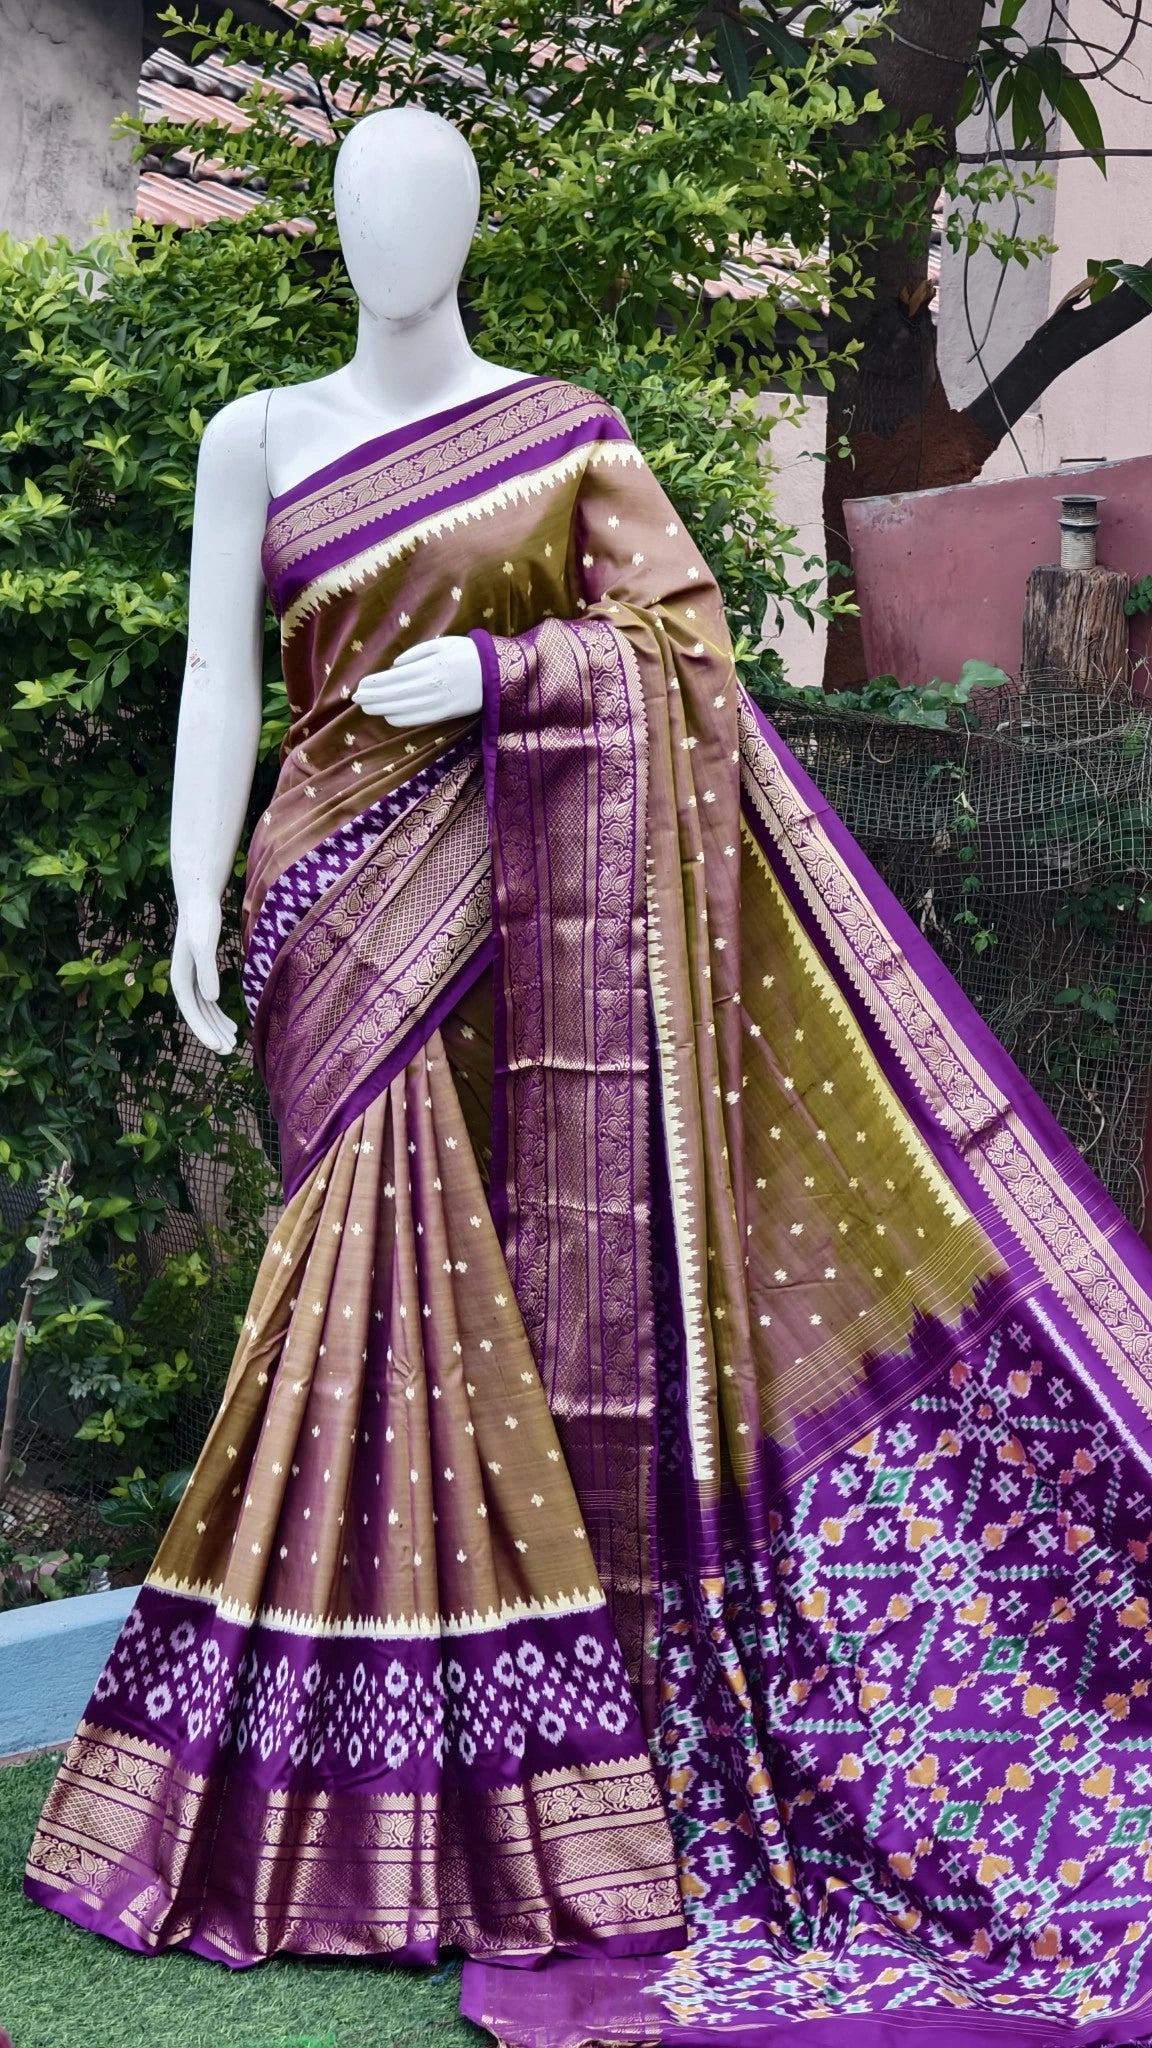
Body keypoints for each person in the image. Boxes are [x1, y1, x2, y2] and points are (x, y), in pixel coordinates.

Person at [27, 105, 1152, 2048]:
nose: (390, 237)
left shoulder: (566, 437)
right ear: (332, 227)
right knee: (360, 1292)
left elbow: (682, 655)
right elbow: (221, 675)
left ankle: (467, 1795)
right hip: (324, 904)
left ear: (467, 229)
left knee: (452, 1314)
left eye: (425, 206)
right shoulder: (256, 434)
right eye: (362, 206)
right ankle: (357, 1791)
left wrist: (502, 679)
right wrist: (194, 890)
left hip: (510, 904)